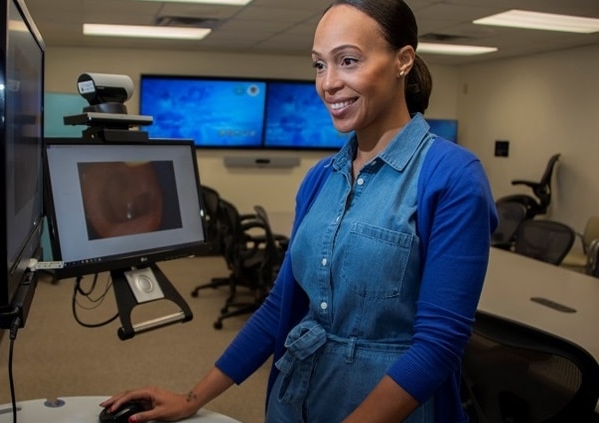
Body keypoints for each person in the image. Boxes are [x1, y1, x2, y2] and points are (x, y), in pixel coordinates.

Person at [101, 0, 498, 421]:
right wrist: (193, 398)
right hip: (297, 397)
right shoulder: (320, 178)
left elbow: (438, 345)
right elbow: (279, 307)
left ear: (403, 61)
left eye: (347, 61)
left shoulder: (452, 176)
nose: (328, 83)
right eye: (319, 65)